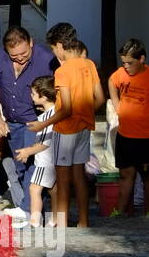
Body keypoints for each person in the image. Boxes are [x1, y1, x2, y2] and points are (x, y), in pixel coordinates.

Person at [32, 29, 104, 228]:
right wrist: (85, 115)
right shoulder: (89, 64)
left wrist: (43, 123)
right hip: (84, 127)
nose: (54, 53)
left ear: (60, 46)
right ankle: (83, 220)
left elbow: (66, 108)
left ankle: (62, 223)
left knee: (62, 179)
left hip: (65, 130)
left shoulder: (62, 71)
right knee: (79, 176)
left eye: (53, 49)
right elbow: (99, 98)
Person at [0, 26, 56, 212]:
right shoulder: (0, 58)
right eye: (14, 56)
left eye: (24, 53)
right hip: (12, 123)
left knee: (34, 166)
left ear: (31, 42)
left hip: (36, 122)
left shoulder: (47, 60)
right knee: (20, 167)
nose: (20, 58)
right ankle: (33, 207)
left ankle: (28, 210)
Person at [109, 37, 149, 216]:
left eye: (130, 63)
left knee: (147, 178)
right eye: (123, 62)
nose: (126, 66)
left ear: (141, 59)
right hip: (125, 135)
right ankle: (121, 211)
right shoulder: (120, 74)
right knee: (126, 175)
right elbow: (111, 81)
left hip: (146, 137)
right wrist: (117, 105)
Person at [15, 75, 58, 227]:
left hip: (45, 162)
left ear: (44, 97)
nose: (31, 97)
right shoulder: (54, 114)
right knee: (53, 190)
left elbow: (46, 143)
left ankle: (34, 221)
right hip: (55, 160)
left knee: (34, 188)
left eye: (33, 94)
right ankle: (54, 219)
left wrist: (28, 151)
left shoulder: (47, 118)